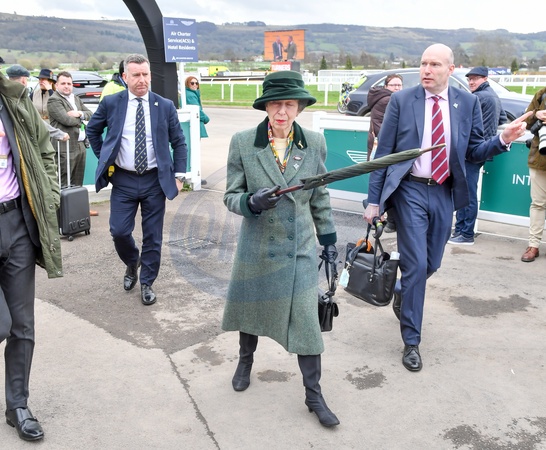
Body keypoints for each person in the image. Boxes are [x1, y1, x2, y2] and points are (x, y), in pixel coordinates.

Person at [363, 43, 530, 372]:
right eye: (423, 63)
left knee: (431, 263)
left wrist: (503, 140)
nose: (427, 70)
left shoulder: (466, 102)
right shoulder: (402, 100)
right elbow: (383, 155)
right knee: (416, 264)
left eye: (435, 64)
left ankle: (403, 289)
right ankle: (412, 341)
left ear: (450, 70)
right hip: (409, 190)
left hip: (443, 191)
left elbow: (474, 150)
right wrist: (373, 200)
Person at [222, 71, 340, 427]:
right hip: (258, 244)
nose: (282, 112)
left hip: (299, 247)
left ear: (300, 107)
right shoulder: (244, 142)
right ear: (266, 107)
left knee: (306, 322)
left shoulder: (314, 143)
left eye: (290, 104)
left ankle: (314, 394)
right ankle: (245, 361)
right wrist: (250, 202)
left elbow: (319, 194)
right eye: (276, 104)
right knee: (251, 311)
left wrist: (328, 240)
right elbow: (230, 195)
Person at [86, 54, 188, 306]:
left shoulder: (164, 105)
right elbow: (93, 130)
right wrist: (105, 158)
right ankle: (133, 262)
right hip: (124, 180)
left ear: (150, 75)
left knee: (153, 236)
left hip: (155, 180)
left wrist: (179, 175)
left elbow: (179, 142)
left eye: (145, 74)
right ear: (125, 77)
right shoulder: (112, 103)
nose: (142, 80)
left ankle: (147, 283)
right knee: (119, 231)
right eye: (136, 75)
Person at [0, 72, 62, 441]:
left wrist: (50, 196)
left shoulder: (15, 100)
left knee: (23, 325)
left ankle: (17, 405)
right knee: (2, 323)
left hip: (17, 222)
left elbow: (44, 151)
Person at [448, 66, 507, 245]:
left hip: (472, 151)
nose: (471, 82)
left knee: (467, 194)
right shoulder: (493, 96)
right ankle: (461, 230)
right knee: (467, 192)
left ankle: (465, 233)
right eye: (469, 79)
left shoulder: (478, 97)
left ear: (485, 79)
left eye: (475, 78)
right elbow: (502, 119)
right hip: (483, 149)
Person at [367, 73, 403, 233]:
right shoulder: (389, 100)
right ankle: (391, 220)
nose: (397, 88)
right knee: (389, 184)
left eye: (399, 85)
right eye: (394, 85)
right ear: (386, 86)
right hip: (386, 147)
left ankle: (385, 218)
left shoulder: (379, 97)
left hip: (377, 144)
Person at [6, 64, 70, 143]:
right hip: (38, 128)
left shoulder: (56, 94)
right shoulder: (34, 94)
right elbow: (29, 109)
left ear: (50, 82)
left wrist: (50, 91)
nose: (41, 81)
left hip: (52, 127)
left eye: (44, 79)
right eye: (40, 79)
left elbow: (57, 106)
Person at [520, 87, 546, 262]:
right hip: (540, 158)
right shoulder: (542, 94)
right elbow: (526, 122)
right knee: (538, 204)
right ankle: (533, 245)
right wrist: (536, 114)